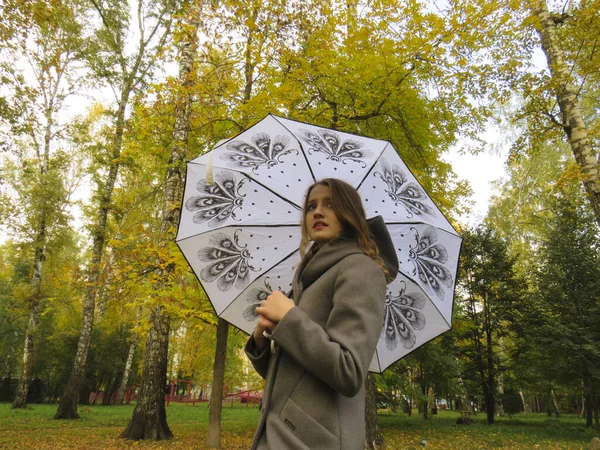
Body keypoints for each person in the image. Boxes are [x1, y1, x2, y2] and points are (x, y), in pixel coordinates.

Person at [244, 178, 398, 450]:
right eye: (311, 206)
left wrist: (290, 318)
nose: (317, 211)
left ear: (349, 214)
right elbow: (288, 376)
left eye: (330, 204)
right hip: (278, 434)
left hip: (314, 441)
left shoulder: (361, 270)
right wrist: (260, 341)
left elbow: (348, 371)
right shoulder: (306, 280)